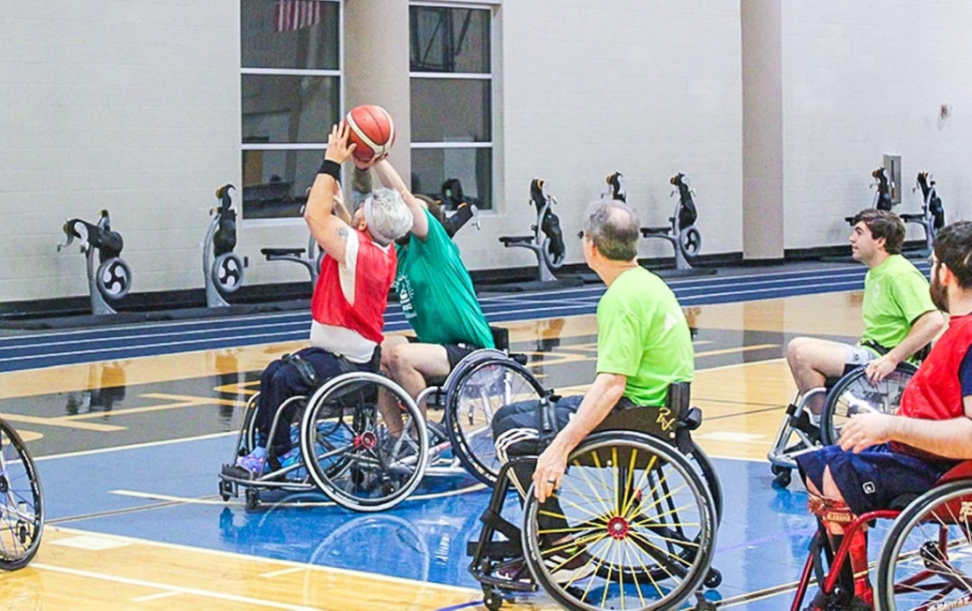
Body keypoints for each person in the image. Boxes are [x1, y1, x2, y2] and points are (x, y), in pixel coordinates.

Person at [225, 123, 413, 477]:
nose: (359, 209)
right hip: (347, 354)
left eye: (362, 209)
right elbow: (352, 237)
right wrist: (341, 208)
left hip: (346, 364)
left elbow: (314, 216)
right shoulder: (381, 251)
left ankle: (271, 454)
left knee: (281, 379)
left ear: (364, 222)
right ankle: (266, 449)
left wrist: (331, 161)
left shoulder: (359, 248)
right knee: (274, 373)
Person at [492, 199, 695, 503]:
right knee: (509, 413)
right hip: (660, 412)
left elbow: (613, 384)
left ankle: (554, 539)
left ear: (592, 246)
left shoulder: (621, 299)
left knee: (511, 433)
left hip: (633, 416)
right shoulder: (651, 284)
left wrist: (560, 446)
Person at [797, 220, 972, 547]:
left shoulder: (969, 336)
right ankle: (842, 587)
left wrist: (891, 425)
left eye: (932, 266)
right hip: (927, 456)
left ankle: (850, 594)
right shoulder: (959, 329)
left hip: (941, 469)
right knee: (819, 464)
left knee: (832, 474)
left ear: (945, 273)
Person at [785, 209, 944, 420]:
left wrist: (891, 359)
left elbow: (933, 321)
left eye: (859, 232)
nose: (852, 238)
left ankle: (819, 426)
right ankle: (821, 421)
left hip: (885, 361)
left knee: (800, 351)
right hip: (871, 352)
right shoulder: (875, 273)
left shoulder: (900, 274)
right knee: (804, 355)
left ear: (880, 241)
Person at [371, 156, 496, 406]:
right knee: (376, 351)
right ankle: (398, 439)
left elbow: (403, 197)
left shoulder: (435, 246)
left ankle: (420, 436)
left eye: (412, 213)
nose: (404, 215)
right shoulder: (400, 253)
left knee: (400, 356)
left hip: (472, 350)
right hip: (435, 348)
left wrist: (378, 159)